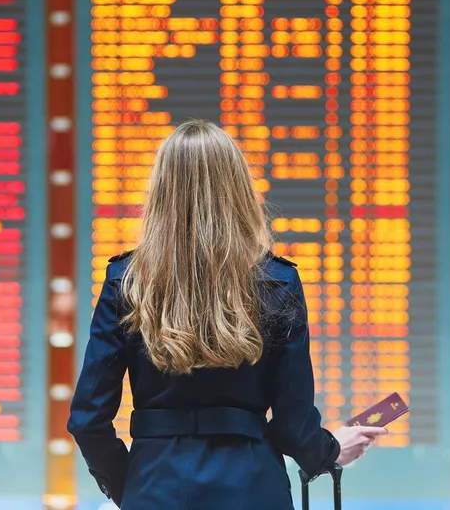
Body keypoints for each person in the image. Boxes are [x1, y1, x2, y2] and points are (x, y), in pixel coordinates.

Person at [68, 119, 387, 509]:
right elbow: (292, 423)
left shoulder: (126, 281)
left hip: (154, 484)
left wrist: (130, 487)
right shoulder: (278, 280)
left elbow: (88, 420)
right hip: (253, 488)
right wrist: (331, 449)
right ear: (238, 188)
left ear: (160, 190)